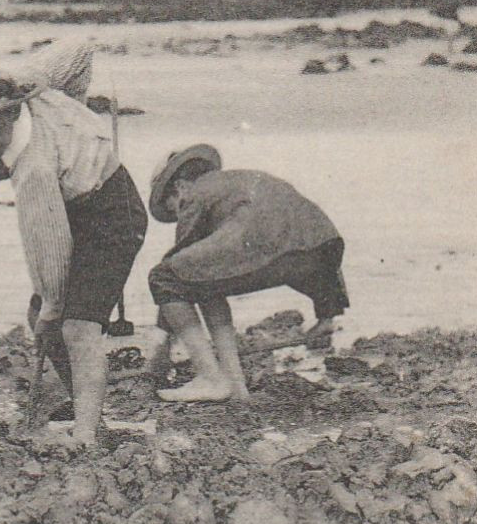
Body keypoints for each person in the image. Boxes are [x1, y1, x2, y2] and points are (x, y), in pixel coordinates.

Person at [0, 66, 147, 447]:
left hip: (112, 212)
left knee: (77, 327)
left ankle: (86, 435)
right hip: (76, 195)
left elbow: (48, 247)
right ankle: (86, 405)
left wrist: (52, 308)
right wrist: (45, 81)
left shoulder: (33, 167)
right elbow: (76, 53)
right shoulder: (34, 96)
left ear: (11, 112)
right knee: (40, 314)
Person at [146, 144, 348, 403]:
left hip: (265, 245)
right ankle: (235, 385)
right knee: (206, 281)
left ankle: (210, 377)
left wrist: (162, 341)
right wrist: (327, 314)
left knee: (164, 277)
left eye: (175, 209)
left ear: (179, 187)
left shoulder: (193, 194)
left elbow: (176, 270)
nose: (179, 214)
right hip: (320, 246)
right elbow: (319, 244)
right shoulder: (239, 181)